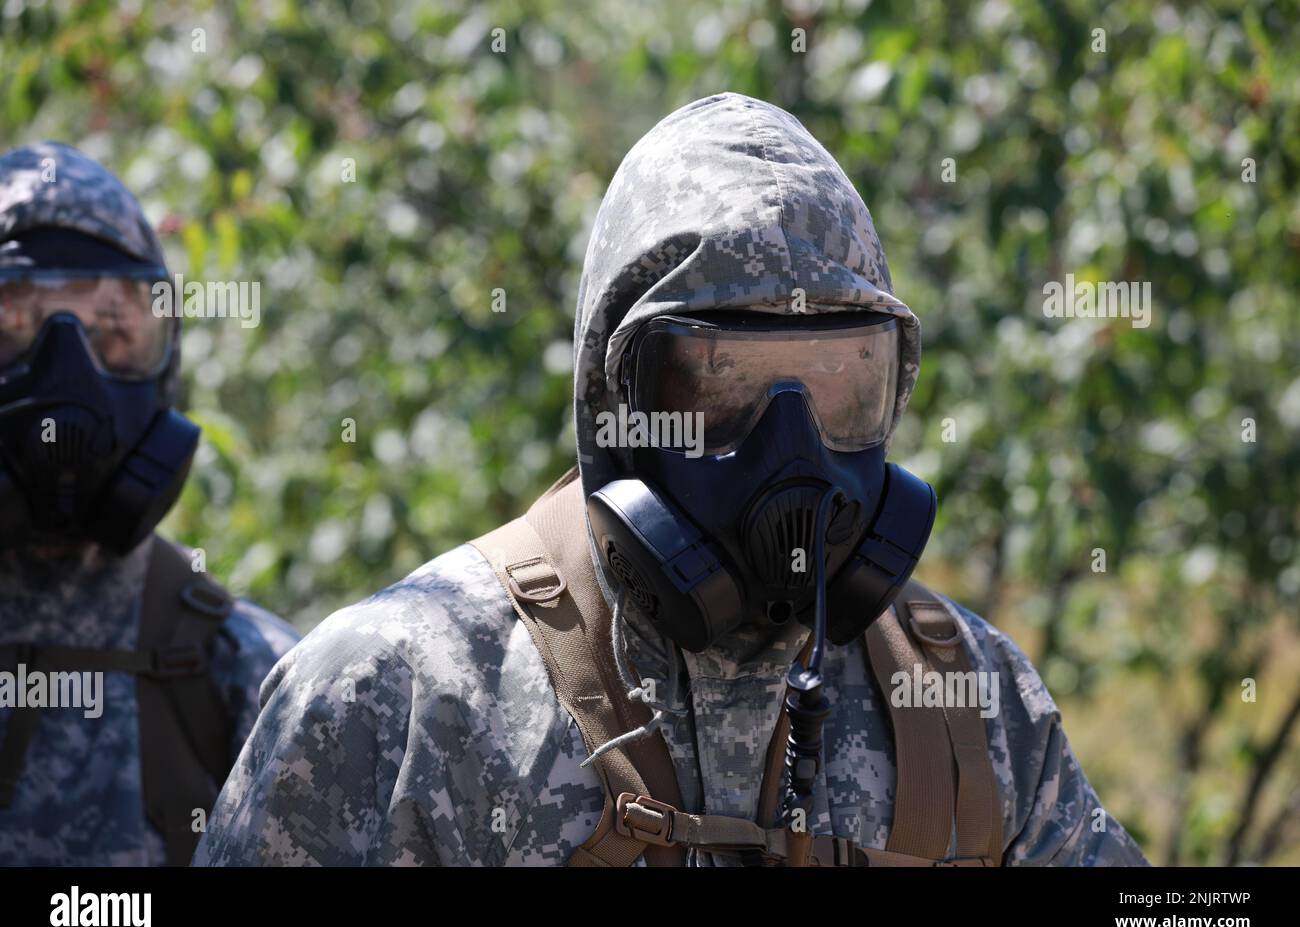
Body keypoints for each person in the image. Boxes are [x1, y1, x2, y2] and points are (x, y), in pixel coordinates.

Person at [194, 93, 1147, 867]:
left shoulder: (968, 701)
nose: (797, 453)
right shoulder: (394, 694)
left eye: (843, 385)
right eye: (719, 383)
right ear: (614, 403)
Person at [0, 142, 299, 866]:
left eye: (113, 332)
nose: (70, 380)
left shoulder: (249, 674)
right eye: (14, 331)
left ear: (167, 354)